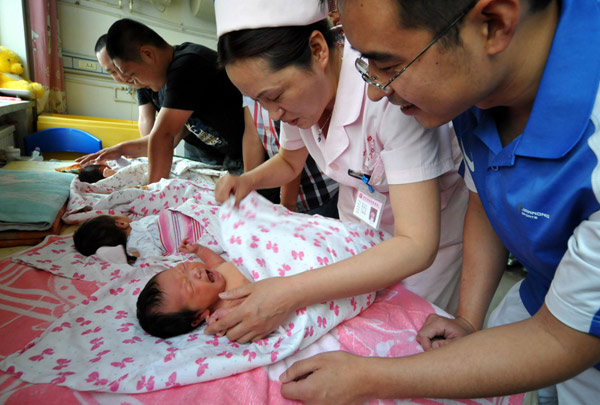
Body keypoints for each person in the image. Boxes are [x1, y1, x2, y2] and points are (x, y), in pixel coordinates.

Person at [277, 0, 600, 404]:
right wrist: (466, 317)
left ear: (495, 24)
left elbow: (562, 338)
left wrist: (367, 377)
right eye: (366, 65)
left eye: (390, 66)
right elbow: (486, 196)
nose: (376, 94)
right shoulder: (475, 89)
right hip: (538, 297)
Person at [206, 0, 468, 345]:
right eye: (260, 102)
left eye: (275, 96)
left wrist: (287, 293)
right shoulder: (300, 104)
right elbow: (288, 162)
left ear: (318, 50)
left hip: (423, 247)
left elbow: (416, 244)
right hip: (357, 230)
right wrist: (248, 180)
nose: (274, 114)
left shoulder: (387, 92)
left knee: (405, 343)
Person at [80, 19, 245, 182]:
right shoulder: (165, 81)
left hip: (247, 154)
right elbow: (167, 137)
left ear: (148, 54)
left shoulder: (187, 65)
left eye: (131, 75)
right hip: (229, 155)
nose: (133, 82)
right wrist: (120, 149)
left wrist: (151, 192)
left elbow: (163, 136)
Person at [242, 96, 339, 216]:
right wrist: (245, 185)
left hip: (321, 191)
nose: (274, 115)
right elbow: (252, 135)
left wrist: (287, 208)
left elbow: (291, 161)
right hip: (292, 194)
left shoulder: (291, 105)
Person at [137, 239, 250, 339]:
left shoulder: (216, 271)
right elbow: (251, 311)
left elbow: (217, 263)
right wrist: (226, 317)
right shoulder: (225, 308)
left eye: (184, 268)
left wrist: (199, 250)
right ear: (199, 317)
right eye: (190, 286)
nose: (196, 271)